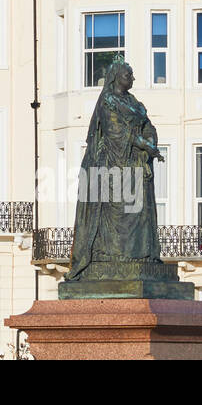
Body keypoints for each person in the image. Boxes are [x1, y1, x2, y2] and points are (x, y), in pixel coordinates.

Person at [65, 59, 163, 282]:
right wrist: (144, 144)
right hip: (113, 165)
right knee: (120, 209)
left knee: (140, 210)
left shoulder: (133, 102)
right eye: (128, 75)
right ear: (117, 77)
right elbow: (115, 132)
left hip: (136, 164)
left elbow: (148, 126)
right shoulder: (107, 102)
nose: (132, 79)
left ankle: (140, 254)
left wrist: (150, 140)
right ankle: (113, 256)